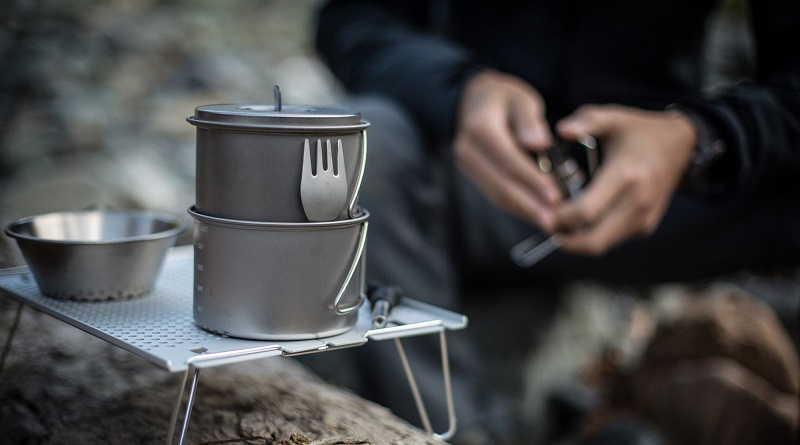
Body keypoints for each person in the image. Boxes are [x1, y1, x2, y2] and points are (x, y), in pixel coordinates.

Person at [303, 1, 800, 443]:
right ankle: (449, 433)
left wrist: (702, 136)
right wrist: (460, 89)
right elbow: (351, 16)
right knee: (361, 149)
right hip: (486, 168)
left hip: (677, 185)